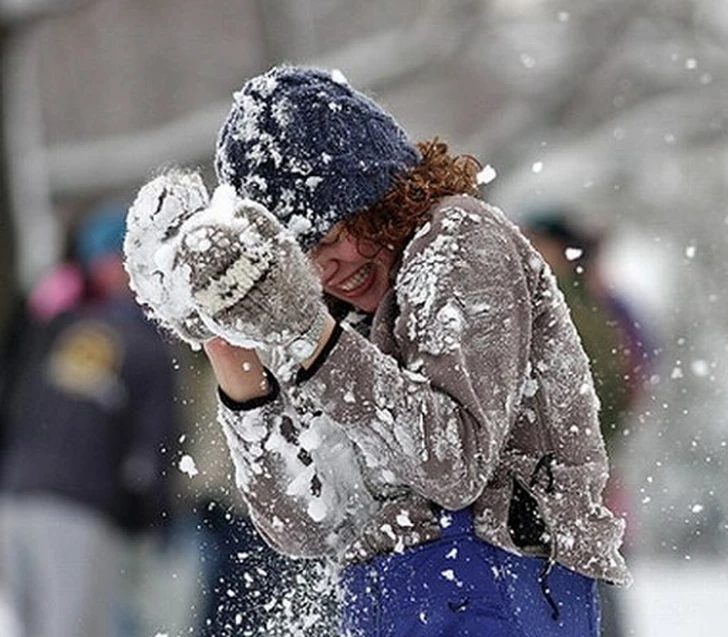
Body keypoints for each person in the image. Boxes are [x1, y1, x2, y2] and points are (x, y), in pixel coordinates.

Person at [124, 65, 631, 636]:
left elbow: (455, 464)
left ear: (383, 193)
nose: (324, 268)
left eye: (331, 233)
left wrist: (310, 332)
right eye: (297, 254)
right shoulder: (327, 317)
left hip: (501, 582)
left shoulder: (461, 238)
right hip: (388, 599)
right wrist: (227, 343)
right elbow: (307, 525)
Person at [0, 204, 179, 637]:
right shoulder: (145, 344)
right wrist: (150, 516)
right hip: (79, 507)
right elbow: (157, 442)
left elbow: (12, 402)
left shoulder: (54, 325)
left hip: (14, 496)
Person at [524, 212, 654, 637]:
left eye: (537, 242)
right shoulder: (600, 304)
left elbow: (622, 387)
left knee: (589, 596)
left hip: (573, 484)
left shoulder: (575, 306)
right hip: (584, 481)